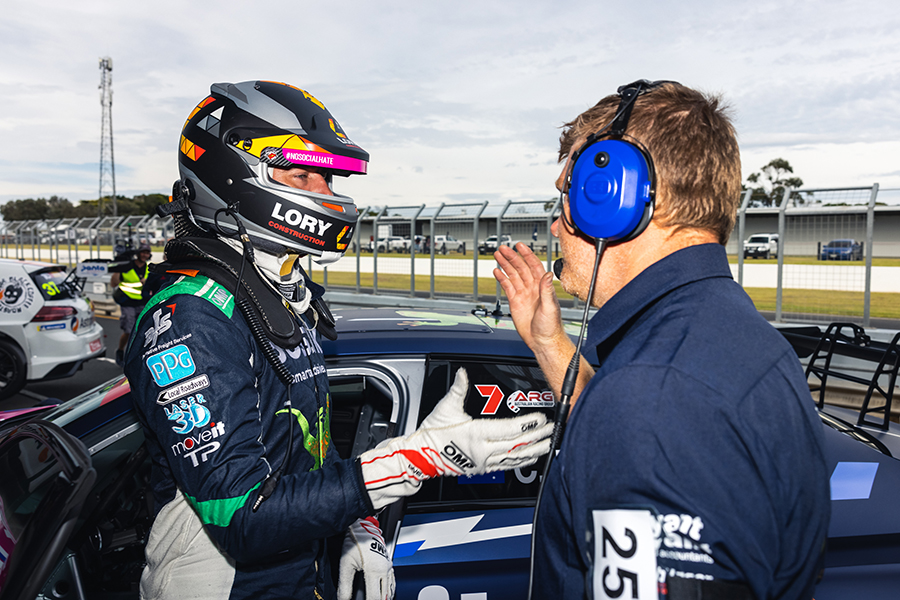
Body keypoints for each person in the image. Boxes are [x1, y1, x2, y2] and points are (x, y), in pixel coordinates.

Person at [123, 80, 552, 600]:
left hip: (297, 571)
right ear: (232, 173)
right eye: (304, 174)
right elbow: (239, 514)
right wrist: (416, 459)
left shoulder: (278, 293)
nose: (326, 195)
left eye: (329, 178)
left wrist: (356, 520)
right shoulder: (193, 315)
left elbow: (302, 450)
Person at [493, 81, 830, 599]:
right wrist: (548, 341)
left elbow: (643, 422)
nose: (558, 226)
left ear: (617, 198)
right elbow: (629, 435)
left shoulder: (653, 395)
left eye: (570, 195)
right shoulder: (731, 336)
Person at [111, 242, 152, 366]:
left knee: (142, 331)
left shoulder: (149, 268)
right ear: (138, 253)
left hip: (143, 303)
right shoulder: (126, 266)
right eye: (143, 252)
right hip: (127, 302)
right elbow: (113, 284)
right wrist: (118, 268)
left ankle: (137, 355)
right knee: (128, 330)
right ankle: (120, 351)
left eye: (147, 253)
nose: (145, 255)